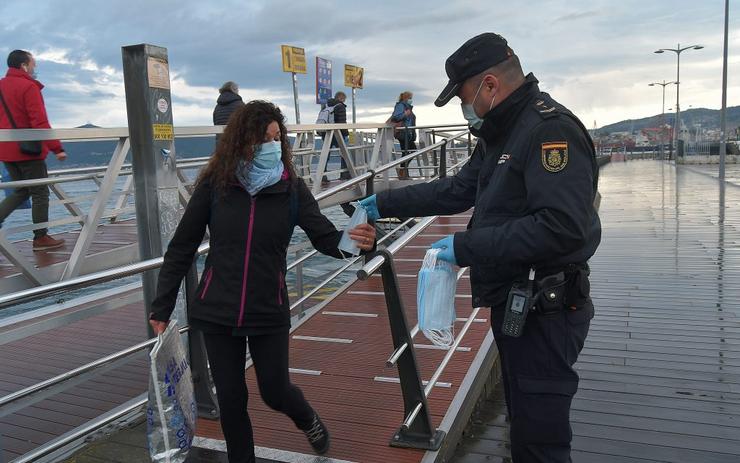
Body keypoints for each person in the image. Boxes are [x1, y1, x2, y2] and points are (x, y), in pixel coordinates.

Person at [360, 33, 600, 462]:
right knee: (523, 427)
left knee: (541, 444)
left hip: (547, 312)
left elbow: (563, 227)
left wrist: (466, 246)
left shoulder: (549, 130)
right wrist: (384, 202)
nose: (463, 108)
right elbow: (457, 189)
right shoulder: (501, 132)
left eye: (463, 97)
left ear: (490, 85)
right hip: (516, 307)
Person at [149, 100, 376, 463]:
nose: (272, 146)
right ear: (242, 142)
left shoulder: (291, 190)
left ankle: (307, 418)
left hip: (267, 307)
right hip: (217, 309)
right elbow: (181, 248)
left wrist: (361, 240)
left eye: (276, 138)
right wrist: (161, 306)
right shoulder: (215, 185)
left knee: (274, 390)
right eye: (263, 139)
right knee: (231, 399)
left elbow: (326, 238)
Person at [0, 50, 67, 251]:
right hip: (27, 151)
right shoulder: (28, 87)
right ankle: (41, 238)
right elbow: (39, 122)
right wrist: (57, 148)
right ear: (23, 66)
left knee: (21, 190)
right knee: (39, 192)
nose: (34, 68)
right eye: (33, 64)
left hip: (5, 150)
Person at [320, 91, 350, 183]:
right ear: (341, 98)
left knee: (326, 155)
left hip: (327, 133)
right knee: (344, 154)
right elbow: (342, 122)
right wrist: (346, 133)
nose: (344, 101)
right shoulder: (340, 106)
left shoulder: (326, 106)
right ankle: (345, 174)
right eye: (344, 99)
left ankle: (322, 175)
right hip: (338, 134)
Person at [390, 91, 416, 179]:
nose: (411, 100)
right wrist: (405, 114)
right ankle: (403, 173)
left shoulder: (408, 107)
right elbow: (395, 117)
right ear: (406, 98)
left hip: (408, 133)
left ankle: (403, 172)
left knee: (412, 151)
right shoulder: (401, 105)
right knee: (406, 152)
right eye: (410, 98)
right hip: (403, 132)